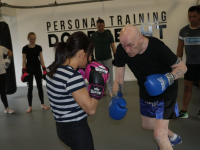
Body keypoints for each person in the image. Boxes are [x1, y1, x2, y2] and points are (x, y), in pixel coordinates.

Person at [110, 25, 187, 150]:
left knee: (159, 136)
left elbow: (183, 67)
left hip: (167, 89)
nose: (127, 50)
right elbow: (119, 78)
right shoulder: (121, 50)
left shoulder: (157, 46)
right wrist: (115, 96)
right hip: (145, 89)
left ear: (140, 38)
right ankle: (173, 137)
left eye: (130, 45)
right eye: (124, 46)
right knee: (147, 125)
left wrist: (166, 80)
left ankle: (165, 140)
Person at [46, 31, 109, 150]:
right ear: (81, 53)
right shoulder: (72, 76)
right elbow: (91, 109)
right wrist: (97, 84)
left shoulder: (52, 70)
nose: (90, 59)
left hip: (62, 127)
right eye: (89, 55)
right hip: (77, 130)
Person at [177, 6, 200, 119]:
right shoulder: (184, 31)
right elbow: (180, 46)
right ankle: (184, 111)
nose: (191, 19)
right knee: (187, 87)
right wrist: (178, 61)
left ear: (199, 16)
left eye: (194, 16)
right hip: (190, 64)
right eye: (190, 16)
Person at [22, 32, 49, 113]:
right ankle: (30, 106)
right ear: (28, 39)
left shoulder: (39, 47)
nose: (32, 41)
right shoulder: (25, 48)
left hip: (37, 69)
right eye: (31, 39)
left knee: (40, 86)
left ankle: (42, 104)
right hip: (29, 69)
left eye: (34, 39)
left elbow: (41, 59)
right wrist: (24, 70)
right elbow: (24, 60)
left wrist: (44, 68)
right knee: (29, 88)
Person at [91, 18, 116, 97]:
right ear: (96, 26)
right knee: (101, 76)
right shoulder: (94, 35)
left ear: (104, 25)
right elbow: (92, 47)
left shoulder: (108, 34)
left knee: (109, 75)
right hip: (98, 59)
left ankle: (111, 91)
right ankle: (103, 91)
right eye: (99, 26)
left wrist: (115, 55)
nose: (100, 28)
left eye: (102, 26)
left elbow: (112, 45)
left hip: (108, 58)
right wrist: (91, 57)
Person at [0, 46, 14, 114]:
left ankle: (7, 108)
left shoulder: (1, 48)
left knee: (2, 91)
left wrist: (8, 60)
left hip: (2, 72)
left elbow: (10, 52)